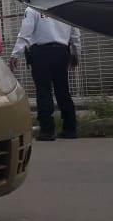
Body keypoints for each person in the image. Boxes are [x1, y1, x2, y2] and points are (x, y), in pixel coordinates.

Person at [8, 8, 81, 141]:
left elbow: (25, 32)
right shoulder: (64, 8)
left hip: (41, 52)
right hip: (62, 51)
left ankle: (47, 130)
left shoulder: (33, 8)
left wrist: (15, 54)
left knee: (43, 90)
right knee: (63, 90)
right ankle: (70, 128)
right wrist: (75, 53)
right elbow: (75, 34)